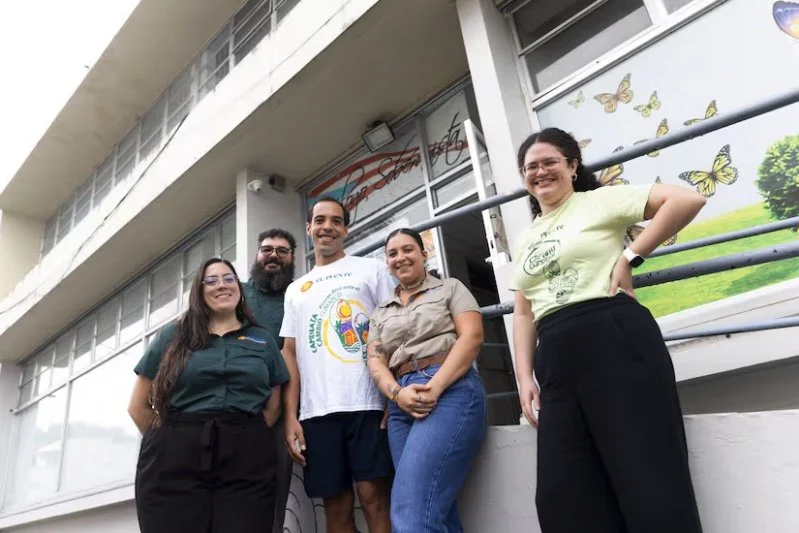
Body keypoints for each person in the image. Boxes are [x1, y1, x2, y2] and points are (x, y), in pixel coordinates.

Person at [511, 128, 705, 533]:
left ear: (572, 166)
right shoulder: (526, 238)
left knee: (648, 475)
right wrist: (523, 377)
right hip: (556, 358)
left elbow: (687, 199)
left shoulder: (597, 201)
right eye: (531, 166)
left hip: (613, 335)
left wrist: (631, 256)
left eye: (550, 162)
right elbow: (524, 312)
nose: (541, 171)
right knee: (562, 493)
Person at [128, 258, 290, 533]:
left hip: (246, 455)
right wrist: (170, 438)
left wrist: (246, 434)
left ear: (239, 288)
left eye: (228, 279)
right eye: (211, 280)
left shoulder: (263, 340)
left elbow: (274, 403)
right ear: (199, 291)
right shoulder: (174, 335)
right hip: (176, 454)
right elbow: (138, 407)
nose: (221, 286)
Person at [280, 196, 395, 533]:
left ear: (345, 228)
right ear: (309, 228)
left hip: (369, 403)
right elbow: (290, 352)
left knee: (374, 496)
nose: (326, 227)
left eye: (335, 221)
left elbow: (392, 329)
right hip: (317, 412)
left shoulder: (371, 269)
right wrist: (291, 416)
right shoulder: (296, 289)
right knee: (335, 506)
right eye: (319, 220)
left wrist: (392, 394)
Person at [366, 228, 487, 533]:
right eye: (392, 253)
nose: (400, 257)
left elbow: (471, 337)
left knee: (410, 511)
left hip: (449, 389)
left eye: (408, 249)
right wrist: (396, 394)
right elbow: (375, 359)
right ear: (387, 263)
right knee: (435, 511)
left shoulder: (450, 288)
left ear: (424, 253)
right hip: (400, 403)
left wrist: (435, 386)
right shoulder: (380, 312)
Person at [242, 228, 297, 533]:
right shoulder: (235, 292)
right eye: (267, 249)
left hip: (282, 407)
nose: (273, 255)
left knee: (273, 488)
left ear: (292, 258)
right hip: (233, 403)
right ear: (257, 255)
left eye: (282, 251)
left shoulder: (299, 294)